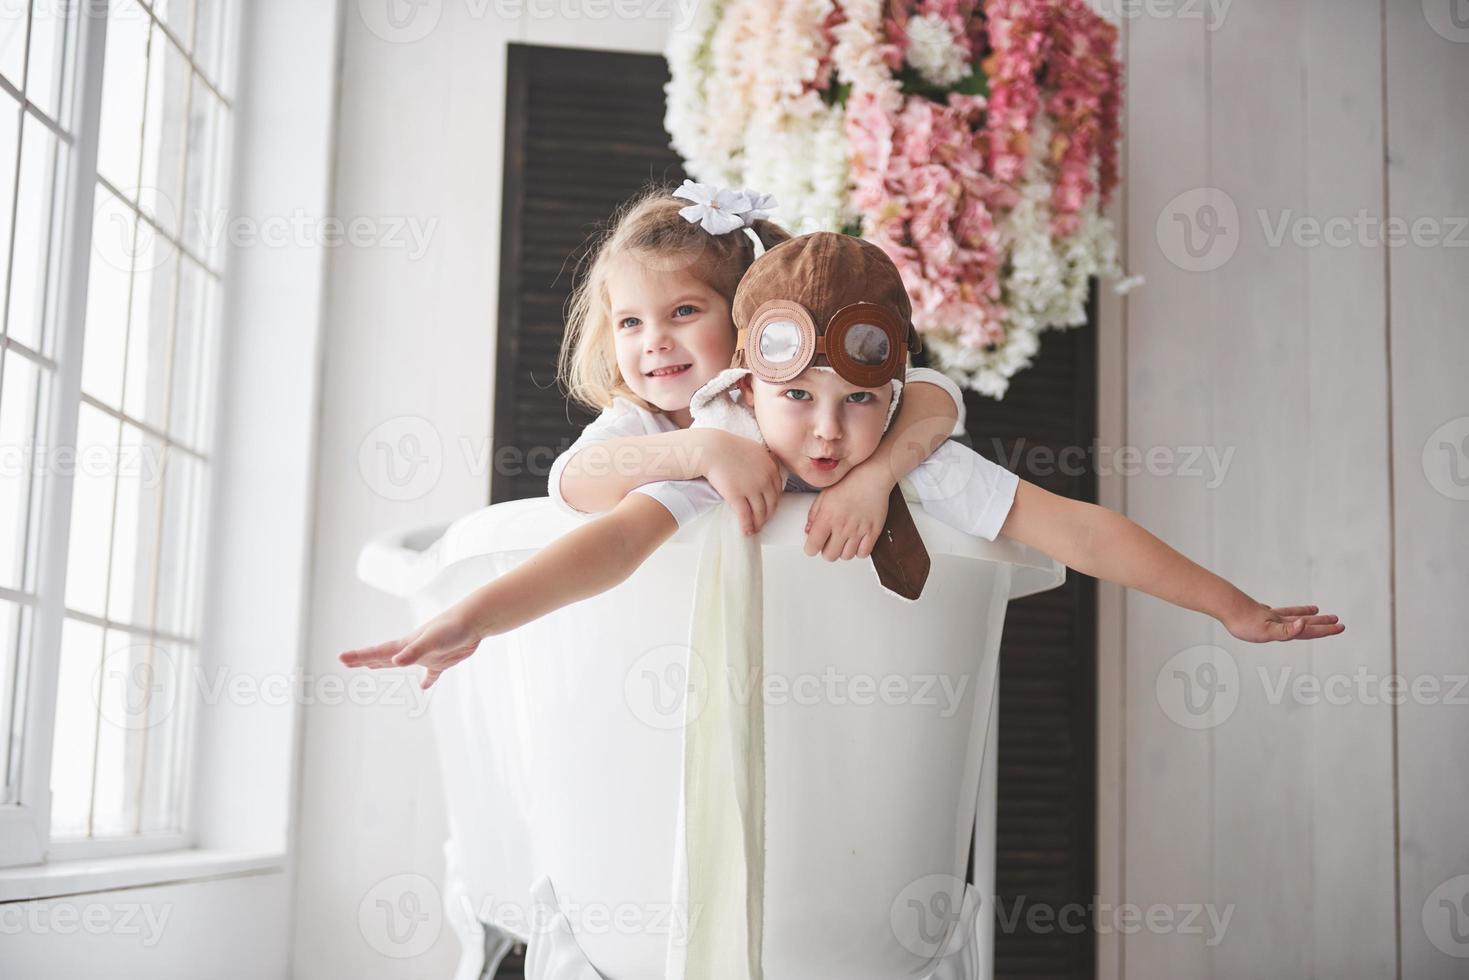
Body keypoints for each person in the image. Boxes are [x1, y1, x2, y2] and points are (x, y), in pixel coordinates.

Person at [340, 232, 1344, 689]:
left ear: (891, 394)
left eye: (857, 402)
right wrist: (469, 613)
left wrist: (1228, 605)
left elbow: (1074, 526)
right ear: (740, 375)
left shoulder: (910, 449)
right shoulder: (723, 442)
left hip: (871, 712)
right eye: (795, 398)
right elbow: (605, 544)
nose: (824, 430)